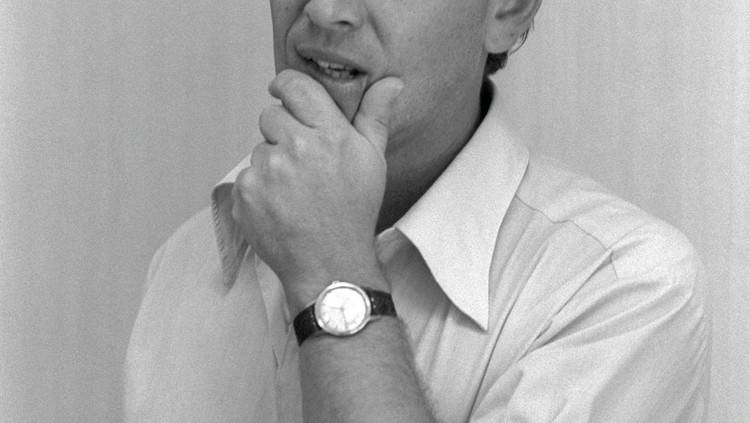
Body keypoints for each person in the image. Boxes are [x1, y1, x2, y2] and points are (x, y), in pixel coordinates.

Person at [124, 0, 711, 420]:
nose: (323, 11)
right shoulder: (190, 260)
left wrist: (331, 272)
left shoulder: (626, 291)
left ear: (507, 10)